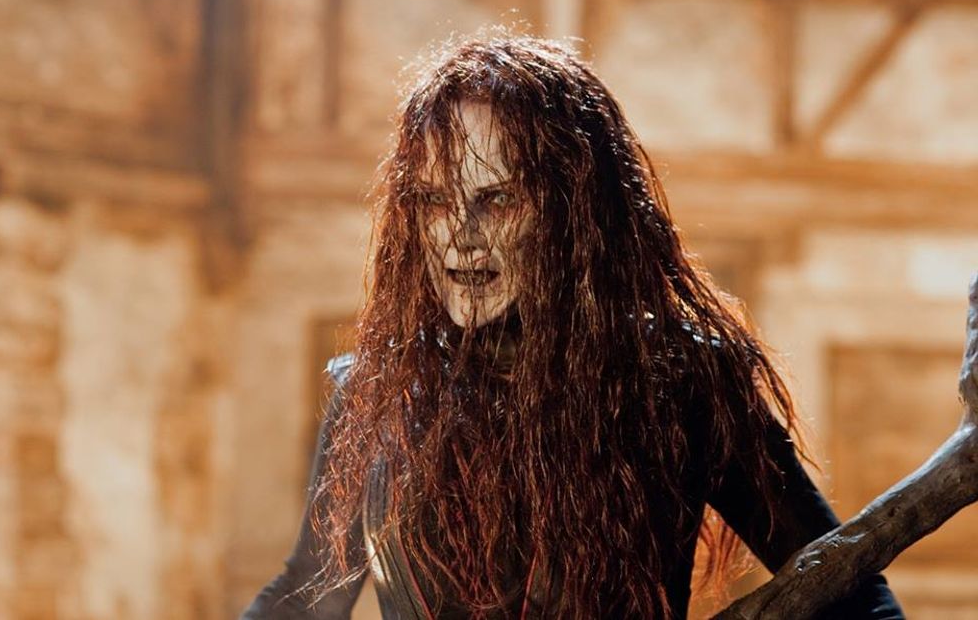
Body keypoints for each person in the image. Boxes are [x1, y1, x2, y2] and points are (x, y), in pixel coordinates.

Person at [242, 35, 904, 619]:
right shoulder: (376, 395)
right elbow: (306, 599)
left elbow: (849, 591)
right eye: (435, 200)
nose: (460, 236)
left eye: (498, 199)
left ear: (571, 208)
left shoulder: (681, 384)